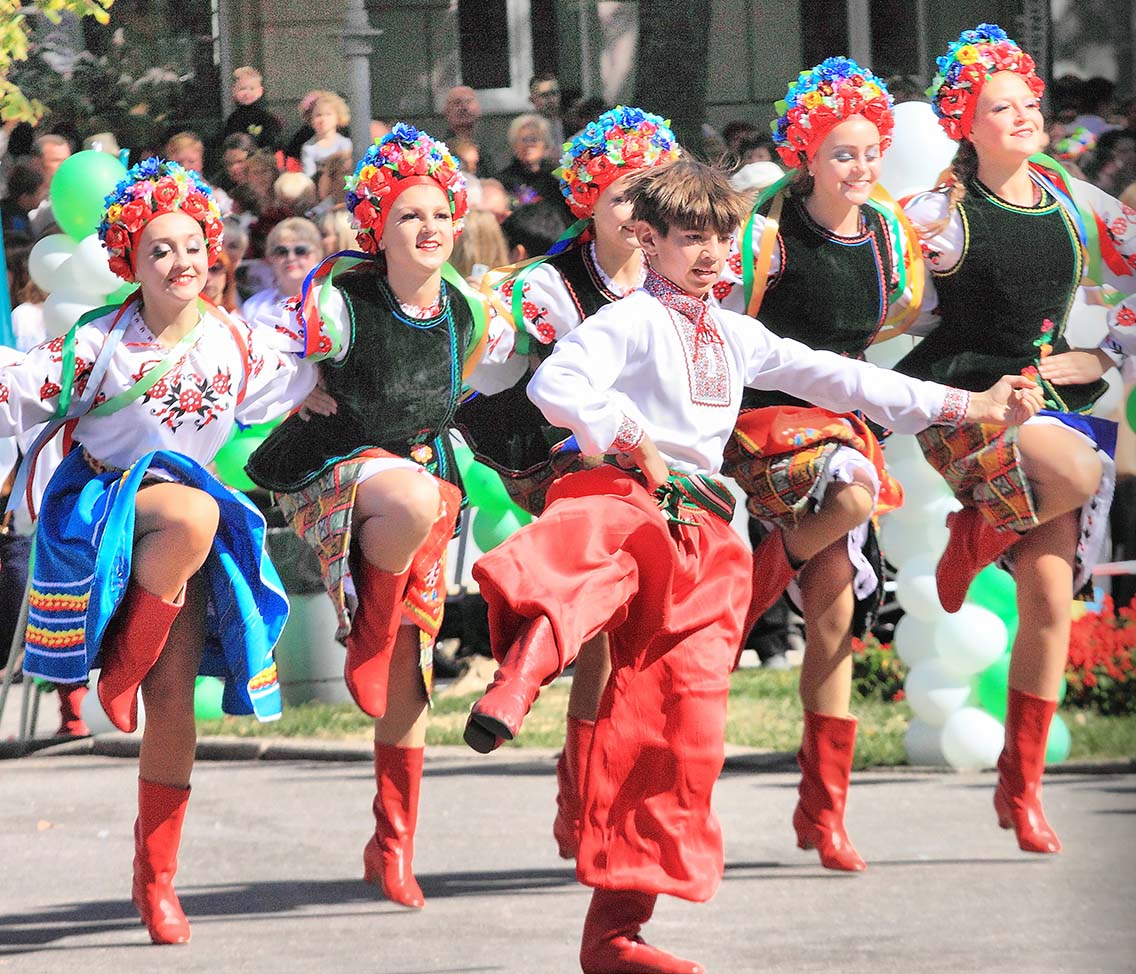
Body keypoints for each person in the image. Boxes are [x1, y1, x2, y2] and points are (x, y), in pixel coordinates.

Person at [463, 157, 1043, 973]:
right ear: (647, 240)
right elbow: (558, 383)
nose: (708, 254)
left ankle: (614, 935)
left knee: (682, 734)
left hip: (705, 537)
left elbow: (849, 380)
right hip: (628, 494)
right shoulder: (628, 319)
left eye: (720, 237)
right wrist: (636, 442)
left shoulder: (739, 334)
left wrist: (970, 406)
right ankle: (519, 678)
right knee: (608, 546)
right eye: (689, 237)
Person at [0, 159, 327, 943]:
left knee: (174, 703)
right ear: (129, 262)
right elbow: (19, 390)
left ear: (214, 249)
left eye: (192, 246)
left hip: (182, 541)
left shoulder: (239, 341)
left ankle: (158, 881)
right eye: (159, 251)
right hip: (104, 512)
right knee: (191, 510)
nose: (180, 263)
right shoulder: (99, 342)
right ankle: (118, 670)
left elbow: (306, 379)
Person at [244, 124, 510, 909]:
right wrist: (297, 387)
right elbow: (257, 354)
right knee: (411, 496)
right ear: (377, 229)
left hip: (414, 499)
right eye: (407, 216)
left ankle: (392, 844)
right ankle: (363, 628)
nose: (427, 229)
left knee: (410, 674)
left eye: (439, 215)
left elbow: (504, 374)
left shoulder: (468, 311)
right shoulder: (336, 303)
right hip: (337, 477)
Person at [896, 24, 1136, 854]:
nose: (1027, 117)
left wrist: (1102, 347)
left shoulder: (1071, 196)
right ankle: (975, 528)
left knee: (1047, 604)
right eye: (1004, 107)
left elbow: (1131, 266)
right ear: (966, 120)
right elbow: (891, 310)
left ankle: (1020, 791)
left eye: (1031, 105)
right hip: (972, 404)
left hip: (1045, 393)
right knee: (1080, 465)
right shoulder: (937, 210)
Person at [459, 106, 681, 865]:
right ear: (588, 197)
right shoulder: (550, 286)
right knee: (612, 593)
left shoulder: (677, 276)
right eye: (623, 195)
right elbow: (500, 372)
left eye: (654, 195)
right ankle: (584, 805)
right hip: (566, 465)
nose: (640, 213)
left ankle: (577, 799)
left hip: (651, 477)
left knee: (611, 645)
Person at [716, 58, 914, 871]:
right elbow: (719, 322)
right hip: (763, 422)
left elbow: (901, 319)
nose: (860, 167)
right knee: (858, 491)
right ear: (806, 154)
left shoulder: (888, 234)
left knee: (834, 621)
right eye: (842, 152)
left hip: (837, 423)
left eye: (870, 150)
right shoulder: (768, 235)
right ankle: (758, 584)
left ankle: (822, 813)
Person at [241, 216, 323, 322]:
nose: (291, 258)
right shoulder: (254, 306)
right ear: (270, 258)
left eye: (300, 250)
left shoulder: (330, 301)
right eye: (281, 251)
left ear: (317, 256)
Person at [495, 114, 564, 211]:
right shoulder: (502, 181)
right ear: (514, 144)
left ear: (545, 145)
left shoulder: (556, 179)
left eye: (534, 139)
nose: (529, 145)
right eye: (524, 140)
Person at [222, 65, 282, 150]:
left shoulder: (266, 118)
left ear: (260, 91)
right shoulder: (233, 118)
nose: (247, 93)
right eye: (242, 89)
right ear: (234, 91)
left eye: (252, 89)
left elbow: (272, 143)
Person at [300, 92, 353, 178]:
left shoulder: (346, 144)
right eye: (318, 115)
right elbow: (309, 177)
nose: (323, 119)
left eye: (328, 114)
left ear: (338, 117)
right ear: (311, 119)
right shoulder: (309, 147)